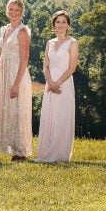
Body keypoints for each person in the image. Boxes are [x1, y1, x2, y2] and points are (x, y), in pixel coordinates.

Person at [0, 0, 33, 161]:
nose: (13, 12)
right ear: (7, 10)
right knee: (7, 110)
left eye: (17, 10)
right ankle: (11, 148)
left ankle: (20, 151)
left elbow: (25, 58)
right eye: (11, 9)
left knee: (18, 110)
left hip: (17, 73)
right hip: (3, 72)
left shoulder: (22, 32)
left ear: (22, 12)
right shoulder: (4, 29)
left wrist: (16, 84)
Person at [35, 11, 78, 163]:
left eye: (64, 22)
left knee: (61, 117)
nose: (61, 25)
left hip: (64, 84)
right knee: (50, 117)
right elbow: (45, 66)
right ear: (53, 25)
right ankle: (45, 153)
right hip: (50, 84)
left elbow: (72, 68)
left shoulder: (72, 43)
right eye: (58, 22)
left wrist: (57, 83)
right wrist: (50, 82)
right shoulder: (50, 43)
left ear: (68, 25)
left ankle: (59, 154)